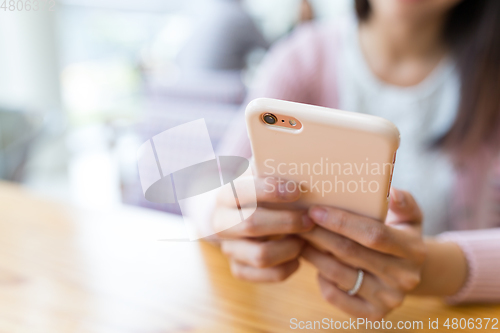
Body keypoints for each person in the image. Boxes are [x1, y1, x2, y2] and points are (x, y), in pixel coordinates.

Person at [202, 0, 500, 319]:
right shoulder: (304, 56)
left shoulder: (490, 75)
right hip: (300, 311)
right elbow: (209, 187)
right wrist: (222, 216)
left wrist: (435, 266)